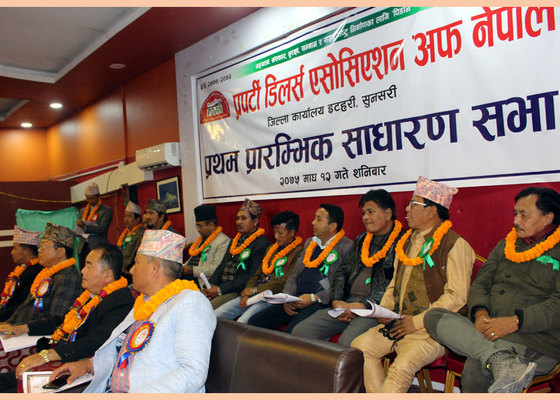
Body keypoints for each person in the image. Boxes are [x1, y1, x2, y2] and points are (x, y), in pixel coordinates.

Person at [424, 186, 560, 393]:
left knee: (476, 368)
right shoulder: (505, 245)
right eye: (515, 214)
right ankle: (499, 359)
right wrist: (480, 314)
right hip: (490, 330)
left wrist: (515, 322)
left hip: (535, 339)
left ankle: (497, 359)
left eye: (524, 215)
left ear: (547, 217)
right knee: (433, 317)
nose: (516, 221)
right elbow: (481, 284)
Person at [49, 230, 217, 393]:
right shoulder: (144, 301)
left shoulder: (190, 301)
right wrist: (89, 366)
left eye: (136, 263)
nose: (131, 270)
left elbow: (192, 373)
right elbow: (123, 352)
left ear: (154, 268)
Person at [351, 176, 475, 393]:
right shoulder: (406, 241)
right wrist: (384, 311)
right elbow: (394, 284)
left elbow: (457, 297)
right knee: (359, 348)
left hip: (431, 330)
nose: (406, 209)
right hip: (398, 324)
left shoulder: (455, 244)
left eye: (413, 204)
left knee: (399, 370)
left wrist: (416, 323)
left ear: (431, 211)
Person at [0, 244, 133, 392]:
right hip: (62, 360)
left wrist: (46, 356)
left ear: (108, 275)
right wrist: (24, 328)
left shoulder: (120, 301)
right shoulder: (92, 296)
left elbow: (96, 340)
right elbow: (62, 321)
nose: (82, 271)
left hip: (79, 374)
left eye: (89, 266)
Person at [292, 190, 403, 346]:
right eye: (363, 213)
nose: (365, 218)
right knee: (301, 331)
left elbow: (393, 282)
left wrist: (364, 305)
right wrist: (336, 300)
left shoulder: (403, 241)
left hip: (374, 309)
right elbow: (342, 272)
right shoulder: (361, 239)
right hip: (347, 303)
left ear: (387, 213)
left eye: (370, 212)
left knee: (347, 343)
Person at [248, 204, 352, 333]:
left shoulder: (346, 247)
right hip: (296, 298)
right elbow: (294, 275)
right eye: (315, 218)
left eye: (319, 219)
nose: (313, 222)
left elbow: (343, 285)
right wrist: (287, 297)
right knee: (255, 322)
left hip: (320, 301)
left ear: (332, 226)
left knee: (292, 332)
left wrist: (313, 298)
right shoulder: (310, 243)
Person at [215, 211, 304, 323]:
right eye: (275, 232)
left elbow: (284, 281)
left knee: (243, 322)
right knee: (216, 314)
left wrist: (255, 290)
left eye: (280, 233)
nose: (276, 236)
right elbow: (256, 274)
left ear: (291, 233)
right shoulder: (271, 248)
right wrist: (246, 292)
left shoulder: (299, 253)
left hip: (271, 297)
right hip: (253, 293)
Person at [0, 223, 82, 336]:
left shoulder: (68, 277)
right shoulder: (46, 273)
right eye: (39, 246)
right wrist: (9, 323)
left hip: (37, 336)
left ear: (60, 252)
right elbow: (24, 305)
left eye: (44, 246)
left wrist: (23, 328)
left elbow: (58, 320)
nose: (39, 250)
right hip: (21, 330)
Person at [205, 198, 270, 309]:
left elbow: (251, 276)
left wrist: (220, 290)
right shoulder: (235, 240)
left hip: (237, 290)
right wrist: (210, 286)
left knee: (208, 307)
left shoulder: (261, 244)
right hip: (221, 286)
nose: (238, 222)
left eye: (243, 218)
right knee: (196, 297)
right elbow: (222, 266)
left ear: (255, 222)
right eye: (237, 218)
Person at [0, 226, 43, 322]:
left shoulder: (35, 272)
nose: (11, 252)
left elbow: (21, 305)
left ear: (26, 251)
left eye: (15, 249)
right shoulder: (22, 270)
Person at [182, 205, 230, 288]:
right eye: (197, 226)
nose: (198, 229)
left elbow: (216, 269)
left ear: (211, 225)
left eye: (200, 226)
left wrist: (192, 270)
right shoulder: (202, 239)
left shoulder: (223, 241)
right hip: (188, 276)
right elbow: (192, 260)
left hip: (201, 281)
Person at [76, 183, 113, 249]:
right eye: (88, 199)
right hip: (83, 247)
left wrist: (85, 227)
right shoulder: (82, 211)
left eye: (93, 198)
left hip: (97, 246)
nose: (90, 201)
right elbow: (79, 228)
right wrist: (79, 225)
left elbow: (102, 229)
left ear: (98, 196)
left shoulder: (106, 210)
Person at [118, 201, 145, 282]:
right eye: (125, 216)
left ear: (137, 219)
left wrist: (126, 268)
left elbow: (136, 254)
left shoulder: (140, 233)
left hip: (130, 270)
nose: (126, 219)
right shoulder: (125, 233)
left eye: (129, 216)